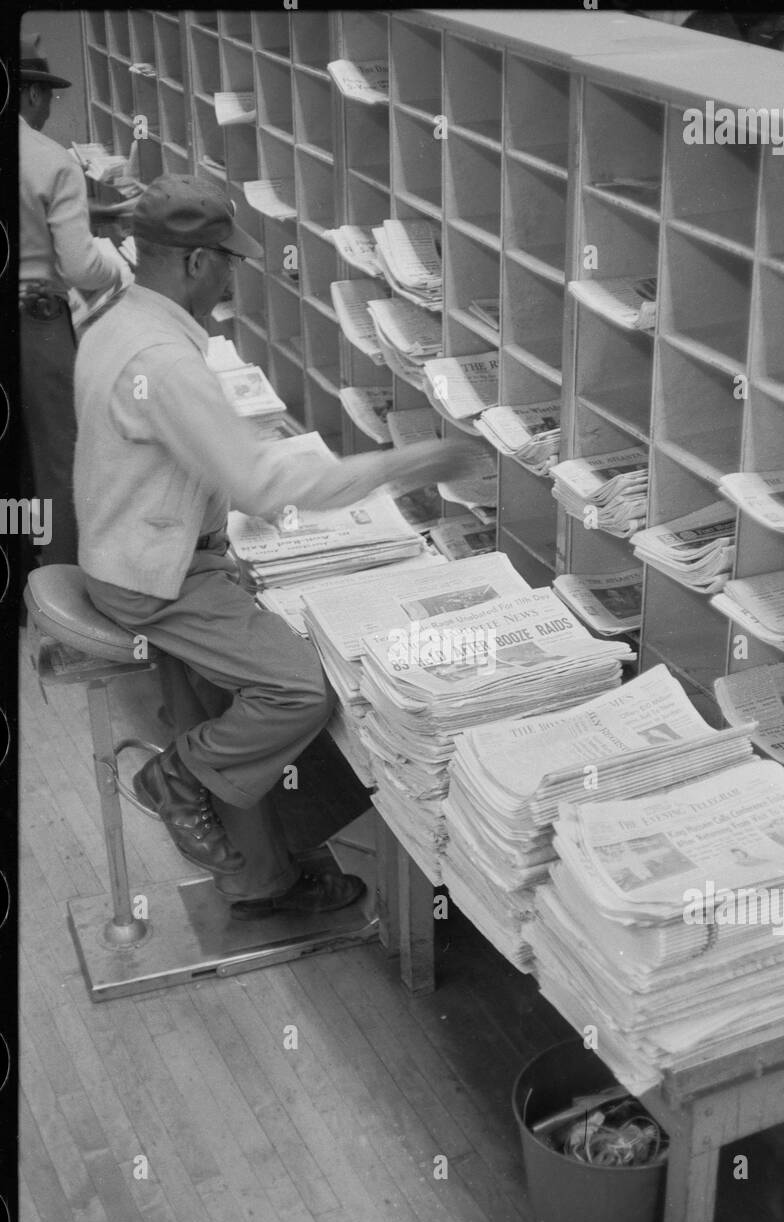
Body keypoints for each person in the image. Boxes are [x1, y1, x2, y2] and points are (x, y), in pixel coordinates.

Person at [74, 173, 475, 920]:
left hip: (135, 549)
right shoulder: (164, 362)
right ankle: (178, 778)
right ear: (195, 263)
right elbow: (261, 487)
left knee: (239, 679)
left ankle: (261, 877)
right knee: (296, 689)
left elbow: (187, 458)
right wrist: (401, 465)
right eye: (228, 258)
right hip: (154, 575)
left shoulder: (119, 319)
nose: (234, 272)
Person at [19, 36, 131, 569]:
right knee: (56, 457)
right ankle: (57, 574)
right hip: (35, 328)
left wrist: (96, 215)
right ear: (32, 95)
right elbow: (83, 267)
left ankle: (18, 567)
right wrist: (120, 267)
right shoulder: (50, 158)